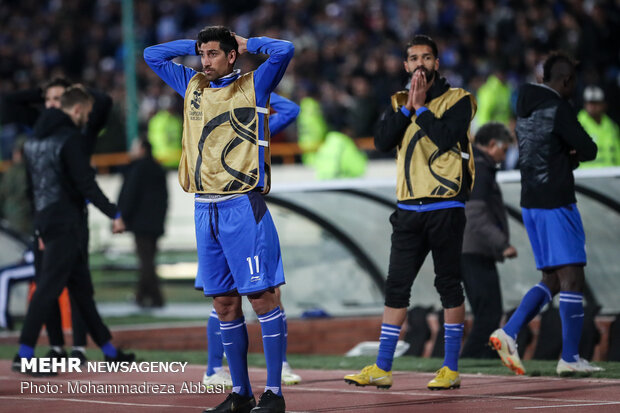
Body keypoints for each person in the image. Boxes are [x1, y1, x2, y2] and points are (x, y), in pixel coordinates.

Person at [144, 26, 294, 413]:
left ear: (231, 56)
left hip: (241, 206)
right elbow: (152, 55)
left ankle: (274, 394)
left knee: (261, 297)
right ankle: (241, 394)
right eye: (201, 54)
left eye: (213, 54)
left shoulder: (254, 85)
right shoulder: (191, 84)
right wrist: (195, 43)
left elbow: (285, 50)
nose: (204, 61)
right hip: (203, 208)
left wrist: (248, 44)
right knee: (224, 304)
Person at [344, 35, 476, 390]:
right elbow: (383, 142)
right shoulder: (398, 101)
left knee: (448, 284)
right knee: (396, 287)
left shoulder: (460, 99)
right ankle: (383, 367)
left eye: (427, 57)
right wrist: (407, 108)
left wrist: (420, 108)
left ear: (437, 63)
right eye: (414, 58)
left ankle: (450, 368)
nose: (420, 63)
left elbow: (447, 137)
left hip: (445, 205)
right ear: (405, 65)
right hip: (407, 209)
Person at [489, 52, 603, 376]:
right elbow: (589, 148)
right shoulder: (559, 108)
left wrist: (565, 153)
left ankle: (509, 331)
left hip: (531, 203)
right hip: (556, 201)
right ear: (567, 80)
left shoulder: (524, 108)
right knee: (572, 277)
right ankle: (569, 357)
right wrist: (572, 153)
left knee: (551, 279)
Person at [14, 86, 133, 374]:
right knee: (47, 291)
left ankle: (109, 352)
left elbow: (33, 192)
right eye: (87, 113)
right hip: (67, 225)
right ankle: (24, 356)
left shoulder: (32, 143)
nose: (88, 117)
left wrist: (39, 230)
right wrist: (114, 213)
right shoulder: (71, 140)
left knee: (82, 293)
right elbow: (87, 185)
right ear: (77, 110)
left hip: (46, 223)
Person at [202, 93, 302, 390]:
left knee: (267, 293)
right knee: (223, 298)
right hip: (216, 213)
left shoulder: (257, 126)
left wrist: (250, 89)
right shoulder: (214, 127)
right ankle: (213, 368)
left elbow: (291, 108)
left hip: (248, 211)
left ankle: (279, 364)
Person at [460, 122, 517, 359]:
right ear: (492, 144)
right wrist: (502, 244)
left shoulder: (475, 165)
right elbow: (475, 214)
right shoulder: (481, 169)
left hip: (472, 250)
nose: (505, 157)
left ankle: (483, 361)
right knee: (489, 314)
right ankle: (467, 362)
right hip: (474, 251)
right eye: (504, 150)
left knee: (489, 314)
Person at [117, 137, 168, 308]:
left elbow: (129, 195)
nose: (131, 150)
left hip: (140, 223)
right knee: (148, 260)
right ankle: (144, 296)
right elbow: (165, 199)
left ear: (142, 150)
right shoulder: (158, 169)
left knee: (145, 262)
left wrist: (121, 216)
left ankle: (154, 298)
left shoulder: (137, 169)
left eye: (134, 147)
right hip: (154, 223)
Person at [577, 85, 620, 168]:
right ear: (585, 104)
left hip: (612, 175)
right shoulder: (576, 125)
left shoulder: (612, 126)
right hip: (586, 177)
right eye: (590, 102)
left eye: (596, 102)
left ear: (604, 104)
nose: (593, 106)